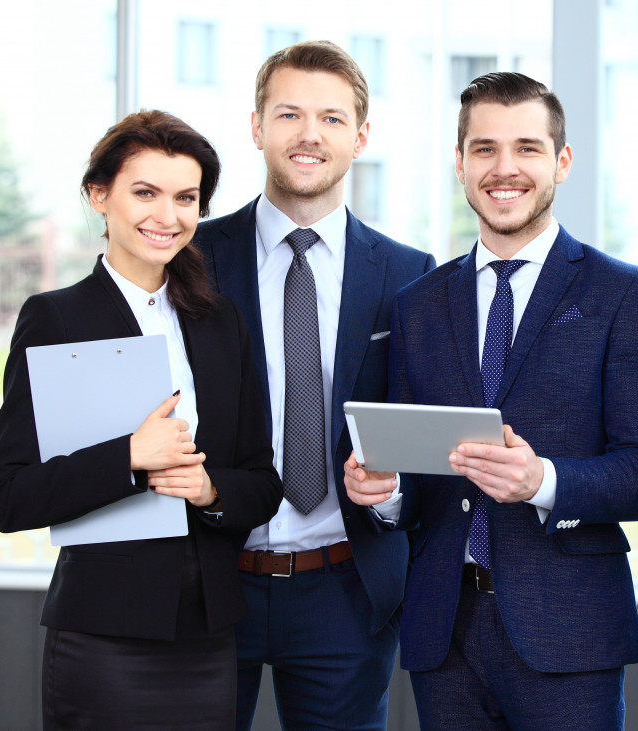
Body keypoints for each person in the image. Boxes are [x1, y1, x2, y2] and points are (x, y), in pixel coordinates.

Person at [345, 71, 638, 730]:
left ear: (561, 161)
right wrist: (385, 491)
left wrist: (543, 479)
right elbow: (417, 468)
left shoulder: (623, 295)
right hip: (446, 631)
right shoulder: (420, 303)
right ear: (460, 165)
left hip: (569, 633)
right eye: (485, 149)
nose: (505, 168)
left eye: (526, 148)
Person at [0, 110, 284, 729]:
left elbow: (262, 481)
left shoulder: (219, 321)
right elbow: (7, 498)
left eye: (185, 198)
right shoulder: (55, 319)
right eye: (144, 192)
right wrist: (128, 456)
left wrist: (208, 490)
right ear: (100, 196)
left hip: (207, 634)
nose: (166, 215)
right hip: (104, 634)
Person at [194, 40, 435, 730]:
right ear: (256, 127)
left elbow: (423, 439)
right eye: (290, 114)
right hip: (211, 577)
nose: (309, 134)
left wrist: (393, 493)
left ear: (360, 137)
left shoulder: (409, 273)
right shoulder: (194, 260)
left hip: (346, 586)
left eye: (331, 118)